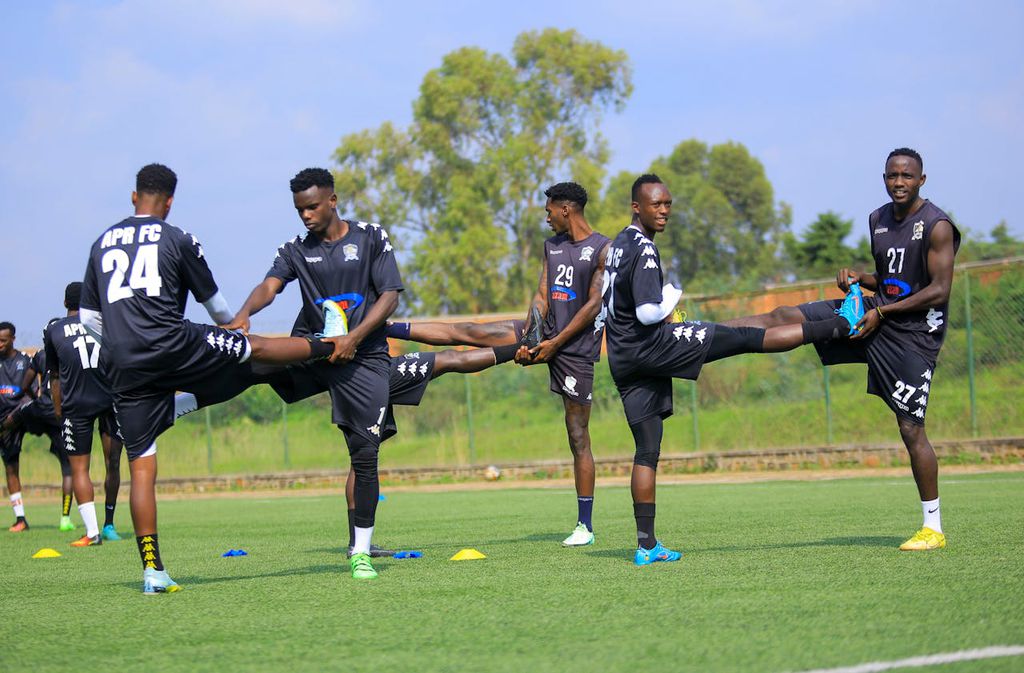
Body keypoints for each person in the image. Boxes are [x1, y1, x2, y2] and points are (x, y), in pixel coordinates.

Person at [79, 163, 337, 594]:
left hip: (125, 363)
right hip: (175, 343)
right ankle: (330, 344)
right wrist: (232, 328)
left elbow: (89, 318)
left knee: (141, 466)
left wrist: (123, 345)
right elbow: (214, 303)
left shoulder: (100, 243)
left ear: (134, 197)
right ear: (169, 202)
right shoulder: (177, 238)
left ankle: (152, 572)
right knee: (253, 352)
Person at [603, 174, 860, 566]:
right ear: (636, 207)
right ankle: (843, 324)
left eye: (668, 204)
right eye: (656, 204)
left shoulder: (617, 244)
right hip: (652, 346)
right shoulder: (644, 247)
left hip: (623, 356)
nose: (664, 211)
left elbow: (610, 305)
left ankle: (646, 546)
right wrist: (673, 293)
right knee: (743, 337)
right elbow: (649, 312)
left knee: (647, 450)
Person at [724, 148, 960, 551]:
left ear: (921, 180)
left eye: (907, 176)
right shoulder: (877, 220)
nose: (899, 182)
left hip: (914, 335)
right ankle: (699, 332)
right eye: (892, 175)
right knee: (785, 314)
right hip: (875, 314)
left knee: (910, 429)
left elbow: (939, 290)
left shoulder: (937, 226)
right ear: (883, 178)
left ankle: (932, 528)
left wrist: (882, 312)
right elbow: (890, 280)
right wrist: (860, 278)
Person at [225, 167, 404, 581]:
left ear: (332, 201)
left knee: (364, 454)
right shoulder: (295, 249)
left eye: (311, 207)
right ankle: (185, 400)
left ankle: (360, 550)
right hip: (316, 350)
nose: (305, 215)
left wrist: (354, 337)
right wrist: (244, 313)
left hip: (364, 357)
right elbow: (270, 286)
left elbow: (390, 296)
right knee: (250, 363)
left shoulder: (371, 237)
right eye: (299, 210)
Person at [43, 281, 126, 546]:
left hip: (76, 405)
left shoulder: (54, 330)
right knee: (113, 463)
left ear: (65, 303)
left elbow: (54, 376)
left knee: (79, 469)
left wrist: (59, 412)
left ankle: (92, 532)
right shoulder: (106, 323)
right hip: (110, 401)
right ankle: (109, 524)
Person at [3, 345, 75, 531]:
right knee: (68, 468)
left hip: (36, 410)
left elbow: (26, 386)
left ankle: (4, 429)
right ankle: (63, 519)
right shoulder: (70, 353)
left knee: (13, 420)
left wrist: (34, 400)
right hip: (58, 414)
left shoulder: (37, 356)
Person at [0, 322, 34, 532]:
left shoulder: (24, 361)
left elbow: (31, 395)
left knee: (12, 466)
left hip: (15, 420)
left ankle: (21, 519)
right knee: (9, 467)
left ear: (12, 339)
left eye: (3, 340)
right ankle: (20, 518)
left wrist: (13, 419)